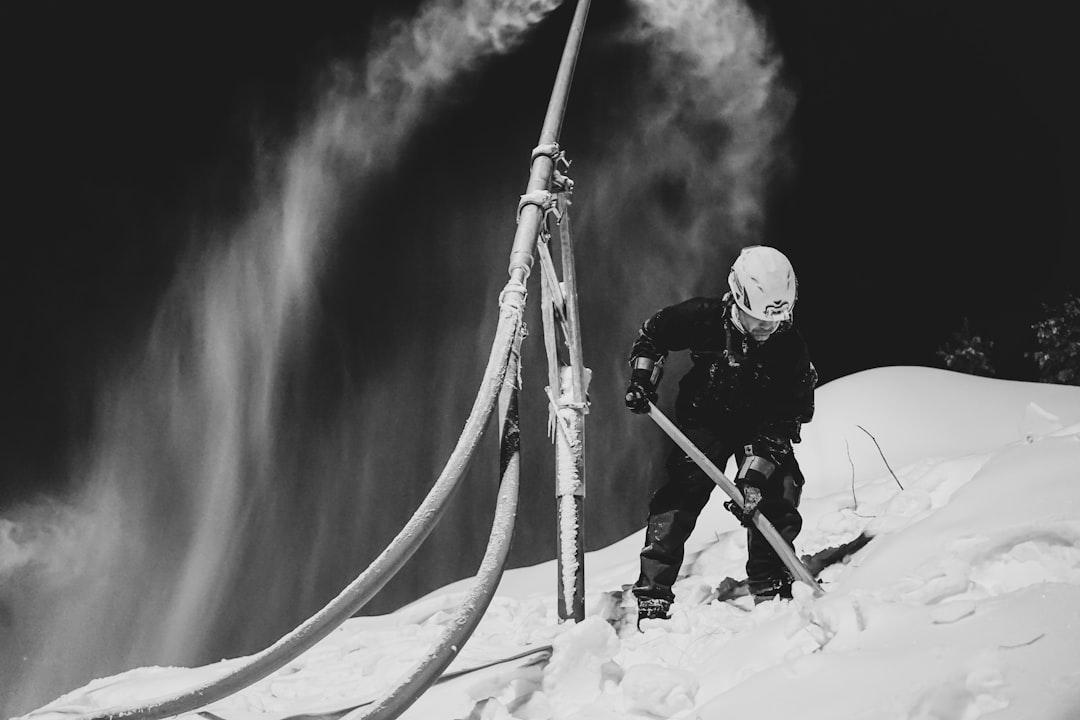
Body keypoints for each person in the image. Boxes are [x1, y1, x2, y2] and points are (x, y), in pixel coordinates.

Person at [624, 245, 817, 623]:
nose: (767, 328)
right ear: (738, 300)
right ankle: (653, 592)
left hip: (761, 427)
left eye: (775, 319)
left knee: (779, 491)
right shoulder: (703, 317)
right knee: (681, 495)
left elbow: (786, 419)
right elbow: (653, 335)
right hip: (705, 419)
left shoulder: (790, 347)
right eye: (759, 318)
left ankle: (771, 580)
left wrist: (754, 477)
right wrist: (643, 378)